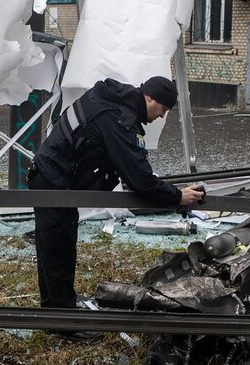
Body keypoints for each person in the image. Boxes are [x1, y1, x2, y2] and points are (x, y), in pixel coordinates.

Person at [27, 76, 205, 333]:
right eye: (163, 110)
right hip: (54, 181)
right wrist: (178, 197)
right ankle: (62, 322)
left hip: (52, 177)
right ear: (150, 98)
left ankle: (57, 305)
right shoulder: (119, 118)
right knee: (58, 248)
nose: (161, 117)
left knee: (53, 247)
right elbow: (140, 179)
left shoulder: (114, 103)